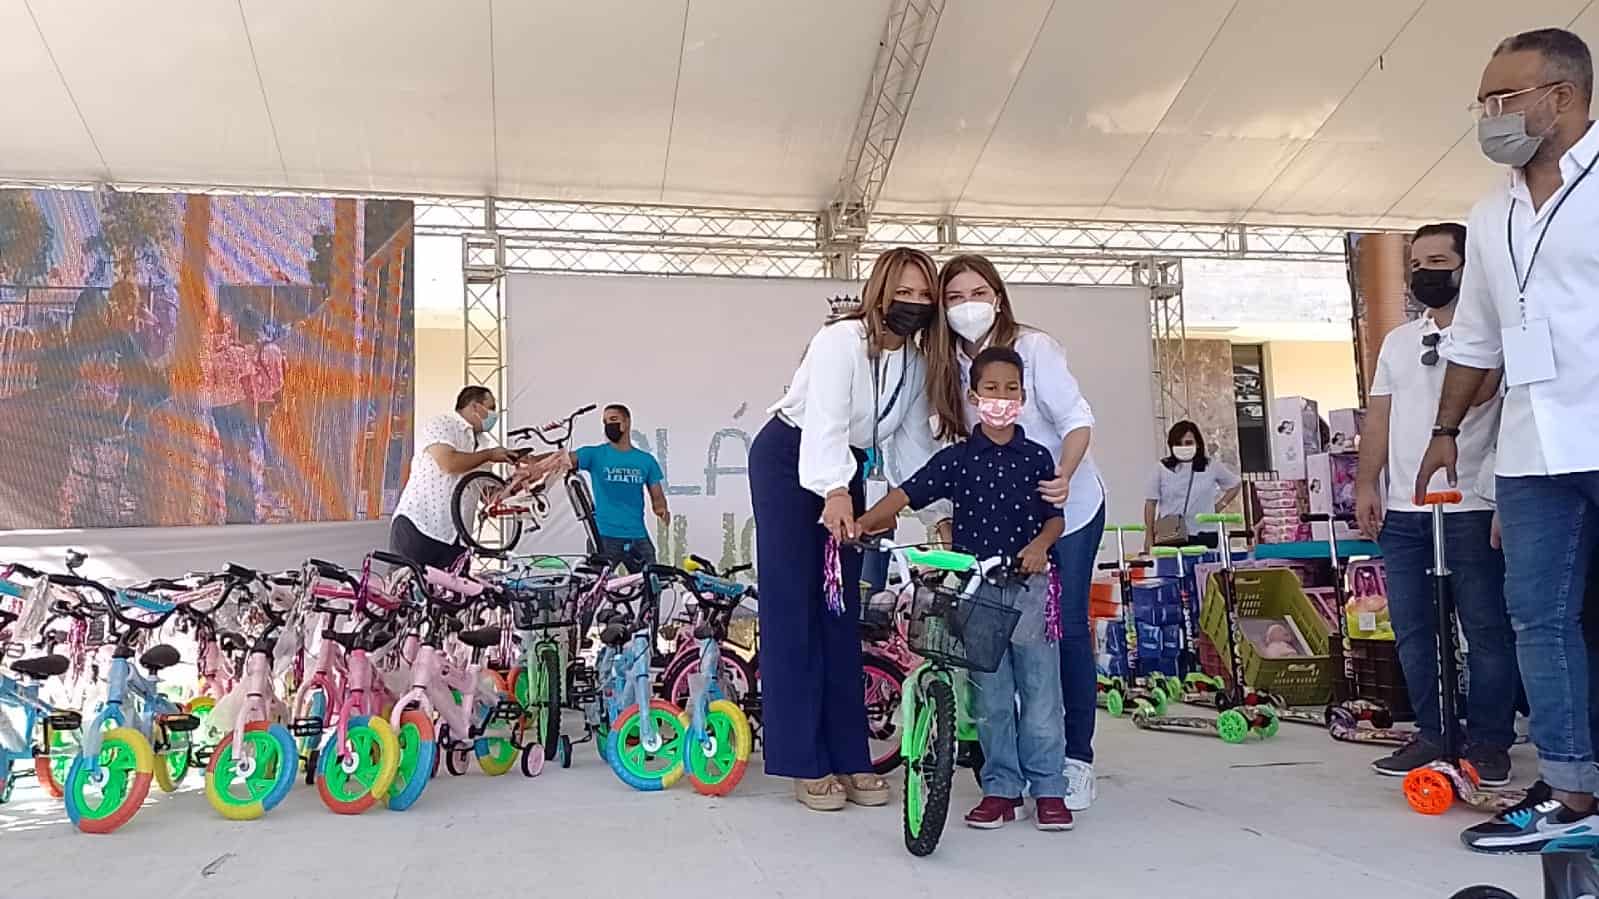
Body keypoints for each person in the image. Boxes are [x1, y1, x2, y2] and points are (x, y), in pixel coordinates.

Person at [1413, 28, 1599, 853]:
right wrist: (1444, 431)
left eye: (1502, 99)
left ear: (1561, 96)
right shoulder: (1489, 215)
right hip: (1529, 448)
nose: (1488, 117)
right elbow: (1478, 340)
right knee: (1537, 619)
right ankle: (1569, 788)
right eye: (1481, 102)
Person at [748, 246, 943, 812]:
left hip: (845, 467)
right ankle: (802, 761)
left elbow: (910, 444)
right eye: (902, 292)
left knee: (840, 611)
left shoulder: (913, 363)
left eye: (923, 295)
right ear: (878, 291)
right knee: (794, 608)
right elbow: (826, 422)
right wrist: (834, 489)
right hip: (792, 458)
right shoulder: (840, 342)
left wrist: (938, 515)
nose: (913, 304)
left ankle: (850, 754)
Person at [858, 346, 1072, 831]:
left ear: (1023, 395)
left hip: (1032, 591)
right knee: (991, 698)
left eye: (1011, 389)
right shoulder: (957, 459)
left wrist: (1039, 546)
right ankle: (1000, 789)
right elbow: (907, 493)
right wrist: (861, 524)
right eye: (991, 389)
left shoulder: (1038, 457)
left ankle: (1049, 789)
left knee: (1040, 694)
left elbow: (1056, 519)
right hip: (978, 591)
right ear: (974, 397)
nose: (1001, 398)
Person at [928, 253, 1105, 811]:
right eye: (954, 298)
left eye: (977, 293)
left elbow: (1077, 418)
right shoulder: (943, 366)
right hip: (993, 530)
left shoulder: (1035, 349)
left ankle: (1073, 760)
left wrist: (1064, 476)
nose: (967, 307)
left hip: (1063, 512)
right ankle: (1001, 771)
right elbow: (936, 451)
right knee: (994, 647)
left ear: (998, 297)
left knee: (1063, 628)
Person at [1355, 222, 1518, 785]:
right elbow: (1379, 418)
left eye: (1438, 261)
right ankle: (1433, 732)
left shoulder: (1492, 335)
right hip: (1404, 512)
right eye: (1417, 263)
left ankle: (1491, 740)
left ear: (1466, 268)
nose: (1426, 272)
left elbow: (1498, 402)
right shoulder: (1399, 341)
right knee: (1413, 628)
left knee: (1484, 627)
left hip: (1470, 503)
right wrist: (1365, 483)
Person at [391, 386, 563, 570]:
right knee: (405, 591)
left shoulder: (483, 443)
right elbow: (448, 463)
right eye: (491, 407)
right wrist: (489, 455)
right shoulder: (443, 424)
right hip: (420, 525)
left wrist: (520, 481)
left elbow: (487, 495)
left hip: (458, 537)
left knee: (456, 596)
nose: (494, 415)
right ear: (475, 407)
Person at [569, 404, 668, 572]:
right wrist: (535, 464)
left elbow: (657, 495)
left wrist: (661, 509)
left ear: (627, 422)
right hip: (604, 536)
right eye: (605, 422)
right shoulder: (594, 454)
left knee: (652, 583)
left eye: (613, 420)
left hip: (637, 535)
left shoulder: (645, 460)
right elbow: (564, 460)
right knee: (594, 589)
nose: (609, 425)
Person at [1143, 421, 1242, 552]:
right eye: (1178, 443)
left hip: (1204, 533)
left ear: (1197, 443)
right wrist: (1149, 535)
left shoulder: (1210, 466)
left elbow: (1235, 484)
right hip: (1171, 533)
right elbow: (1150, 503)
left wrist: (1218, 507)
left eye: (1188, 442)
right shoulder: (1162, 468)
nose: (1184, 447)